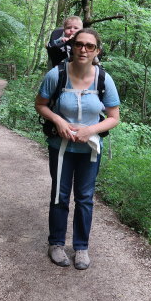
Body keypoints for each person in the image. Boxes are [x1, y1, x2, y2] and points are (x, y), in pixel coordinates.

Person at [35, 28, 120, 270]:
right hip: (60, 147)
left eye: (89, 46)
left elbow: (113, 117)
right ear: (71, 46)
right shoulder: (56, 75)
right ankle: (57, 244)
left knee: (84, 199)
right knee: (59, 196)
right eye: (79, 44)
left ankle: (81, 247)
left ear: (97, 51)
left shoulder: (104, 79)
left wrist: (90, 130)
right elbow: (40, 105)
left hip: (90, 150)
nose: (84, 49)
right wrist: (59, 121)